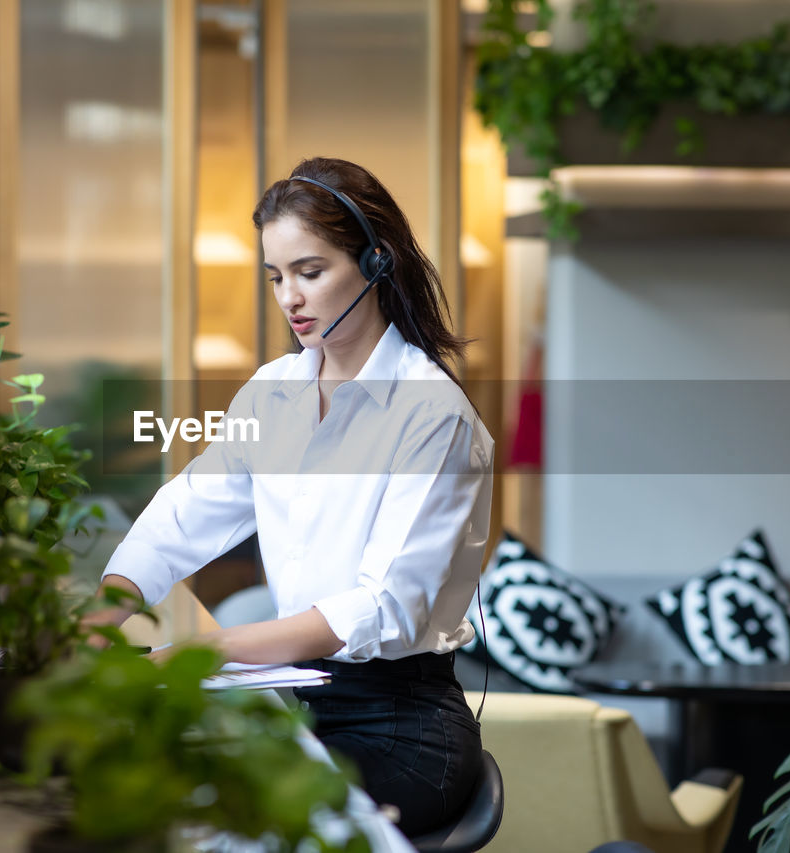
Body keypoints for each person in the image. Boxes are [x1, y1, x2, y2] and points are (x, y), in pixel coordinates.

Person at [93, 157, 494, 837]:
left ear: (375, 262)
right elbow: (182, 515)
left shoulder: (433, 414)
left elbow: (384, 607)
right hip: (299, 703)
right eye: (276, 276)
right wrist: (105, 610)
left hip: (401, 729)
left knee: (213, 810)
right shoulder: (274, 391)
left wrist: (211, 652)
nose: (290, 298)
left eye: (310, 271)